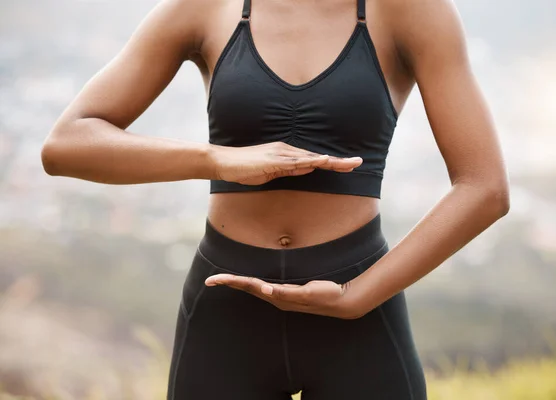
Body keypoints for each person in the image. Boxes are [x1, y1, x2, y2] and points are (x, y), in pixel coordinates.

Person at [41, 0, 510, 398]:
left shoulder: (409, 10)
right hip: (224, 306)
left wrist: (355, 295)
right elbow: (66, 145)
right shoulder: (207, 7)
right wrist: (216, 160)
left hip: (361, 310)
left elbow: (484, 186)